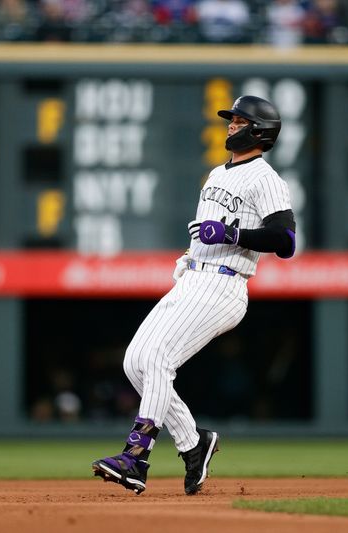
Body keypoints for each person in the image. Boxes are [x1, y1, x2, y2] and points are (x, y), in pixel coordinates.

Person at [92, 95, 296, 495]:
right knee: (136, 363)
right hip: (194, 279)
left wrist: (233, 235)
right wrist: (194, 254)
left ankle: (135, 457)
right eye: (231, 120)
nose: (230, 125)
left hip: (225, 284)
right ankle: (193, 444)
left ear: (259, 131)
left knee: (157, 359)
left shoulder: (266, 179)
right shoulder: (217, 174)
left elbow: (285, 240)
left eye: (239, 121)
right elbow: (211, 233)